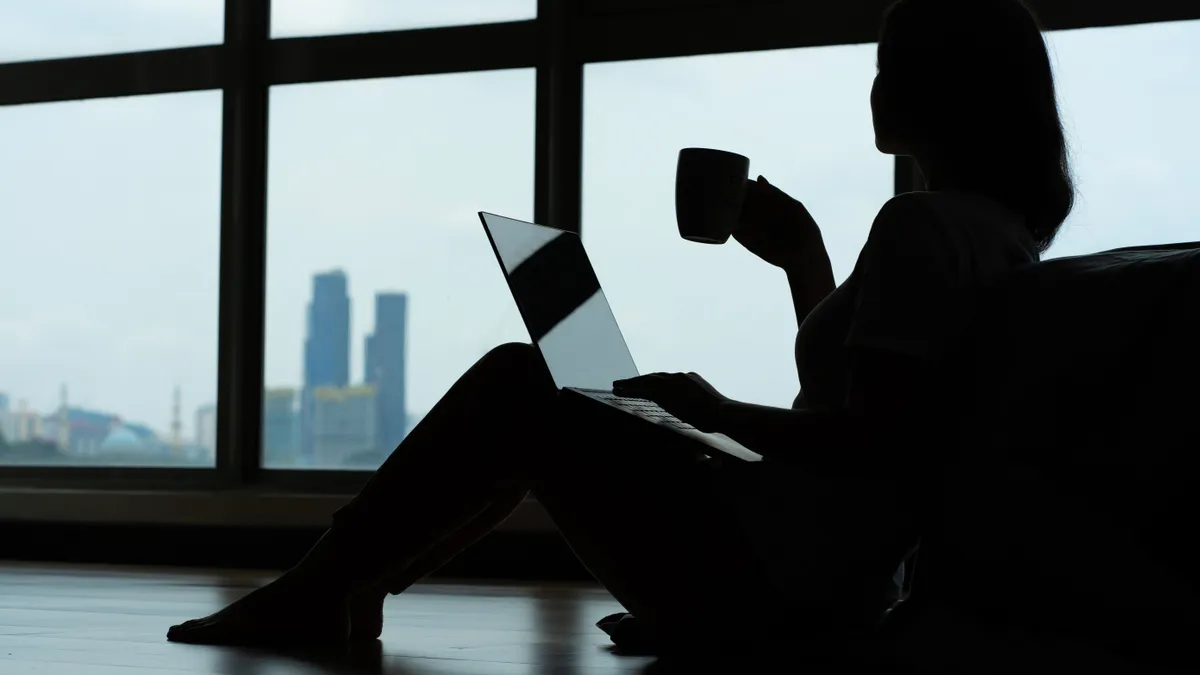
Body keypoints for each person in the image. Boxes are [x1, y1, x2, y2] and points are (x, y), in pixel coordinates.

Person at [167, 0, 1073, 653]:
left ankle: (323, 589)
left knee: (525, 381)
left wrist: (713, 412)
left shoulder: (920, 228)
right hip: (819, 587)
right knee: (557, 389)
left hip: (768, 597)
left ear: (946, 88)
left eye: (890, 64)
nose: (872, 84)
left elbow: (876, 447)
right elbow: (871, 426)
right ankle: (345, 587)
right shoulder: (993, 238)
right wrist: (806, 265)